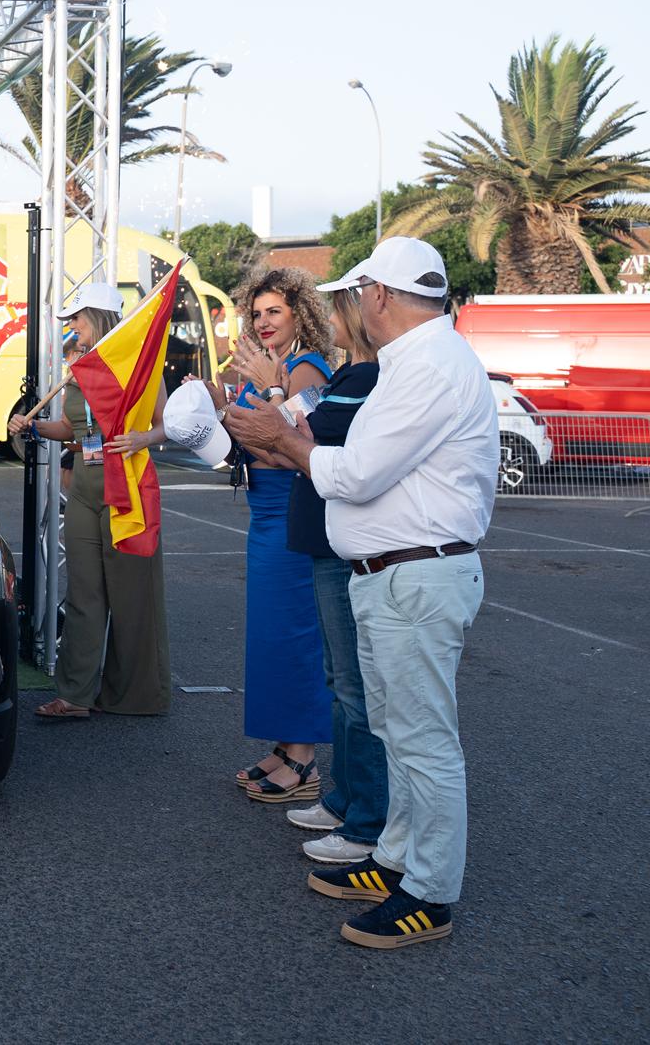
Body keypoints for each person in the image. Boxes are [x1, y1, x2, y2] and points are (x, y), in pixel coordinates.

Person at [224, 235, 498, 950]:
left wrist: (283, 441)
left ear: (379, 295)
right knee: (400, 734)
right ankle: (398, 862)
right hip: (396, 572)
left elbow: (355, 473)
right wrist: (290, 438)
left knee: (422, 743)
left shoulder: (429, 366)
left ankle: (428, 893)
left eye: (354, 295)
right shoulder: (419, 361)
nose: (351, 307)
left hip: (415, 573)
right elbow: (353, 461)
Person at [5, 286, 171, 720]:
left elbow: (165, 425)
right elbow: (73, 427)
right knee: (84, 595)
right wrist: (34, 426)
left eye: (75, 318)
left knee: (132, 595)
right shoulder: (80, 368)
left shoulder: (140, 363)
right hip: (83, 486)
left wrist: (142, 439)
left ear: (95, 316)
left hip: (127, 486)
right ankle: (75, 695)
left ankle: (135, 696)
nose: (70, 327)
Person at [217, 268, 336, 804]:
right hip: (264, 513)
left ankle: (305, 759)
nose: (263, 322)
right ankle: (285, 745)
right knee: (270, 636)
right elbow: (254, 441)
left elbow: (293, 445)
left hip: (292, 512)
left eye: (275, 312)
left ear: (300, 316)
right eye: (258, 313)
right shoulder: (264, 369)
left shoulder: (307, 368)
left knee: (296, 636)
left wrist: (254, 428)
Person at [281, 285, 388, 865]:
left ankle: (367, 820)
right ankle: (347, 800)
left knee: (355, 687)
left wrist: (275, 396)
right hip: (331, 543)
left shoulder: (363, 379)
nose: (327, 319)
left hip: (342, 546)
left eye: (335, 309)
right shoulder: (350, 377)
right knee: (342, 681)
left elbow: (299, 439)